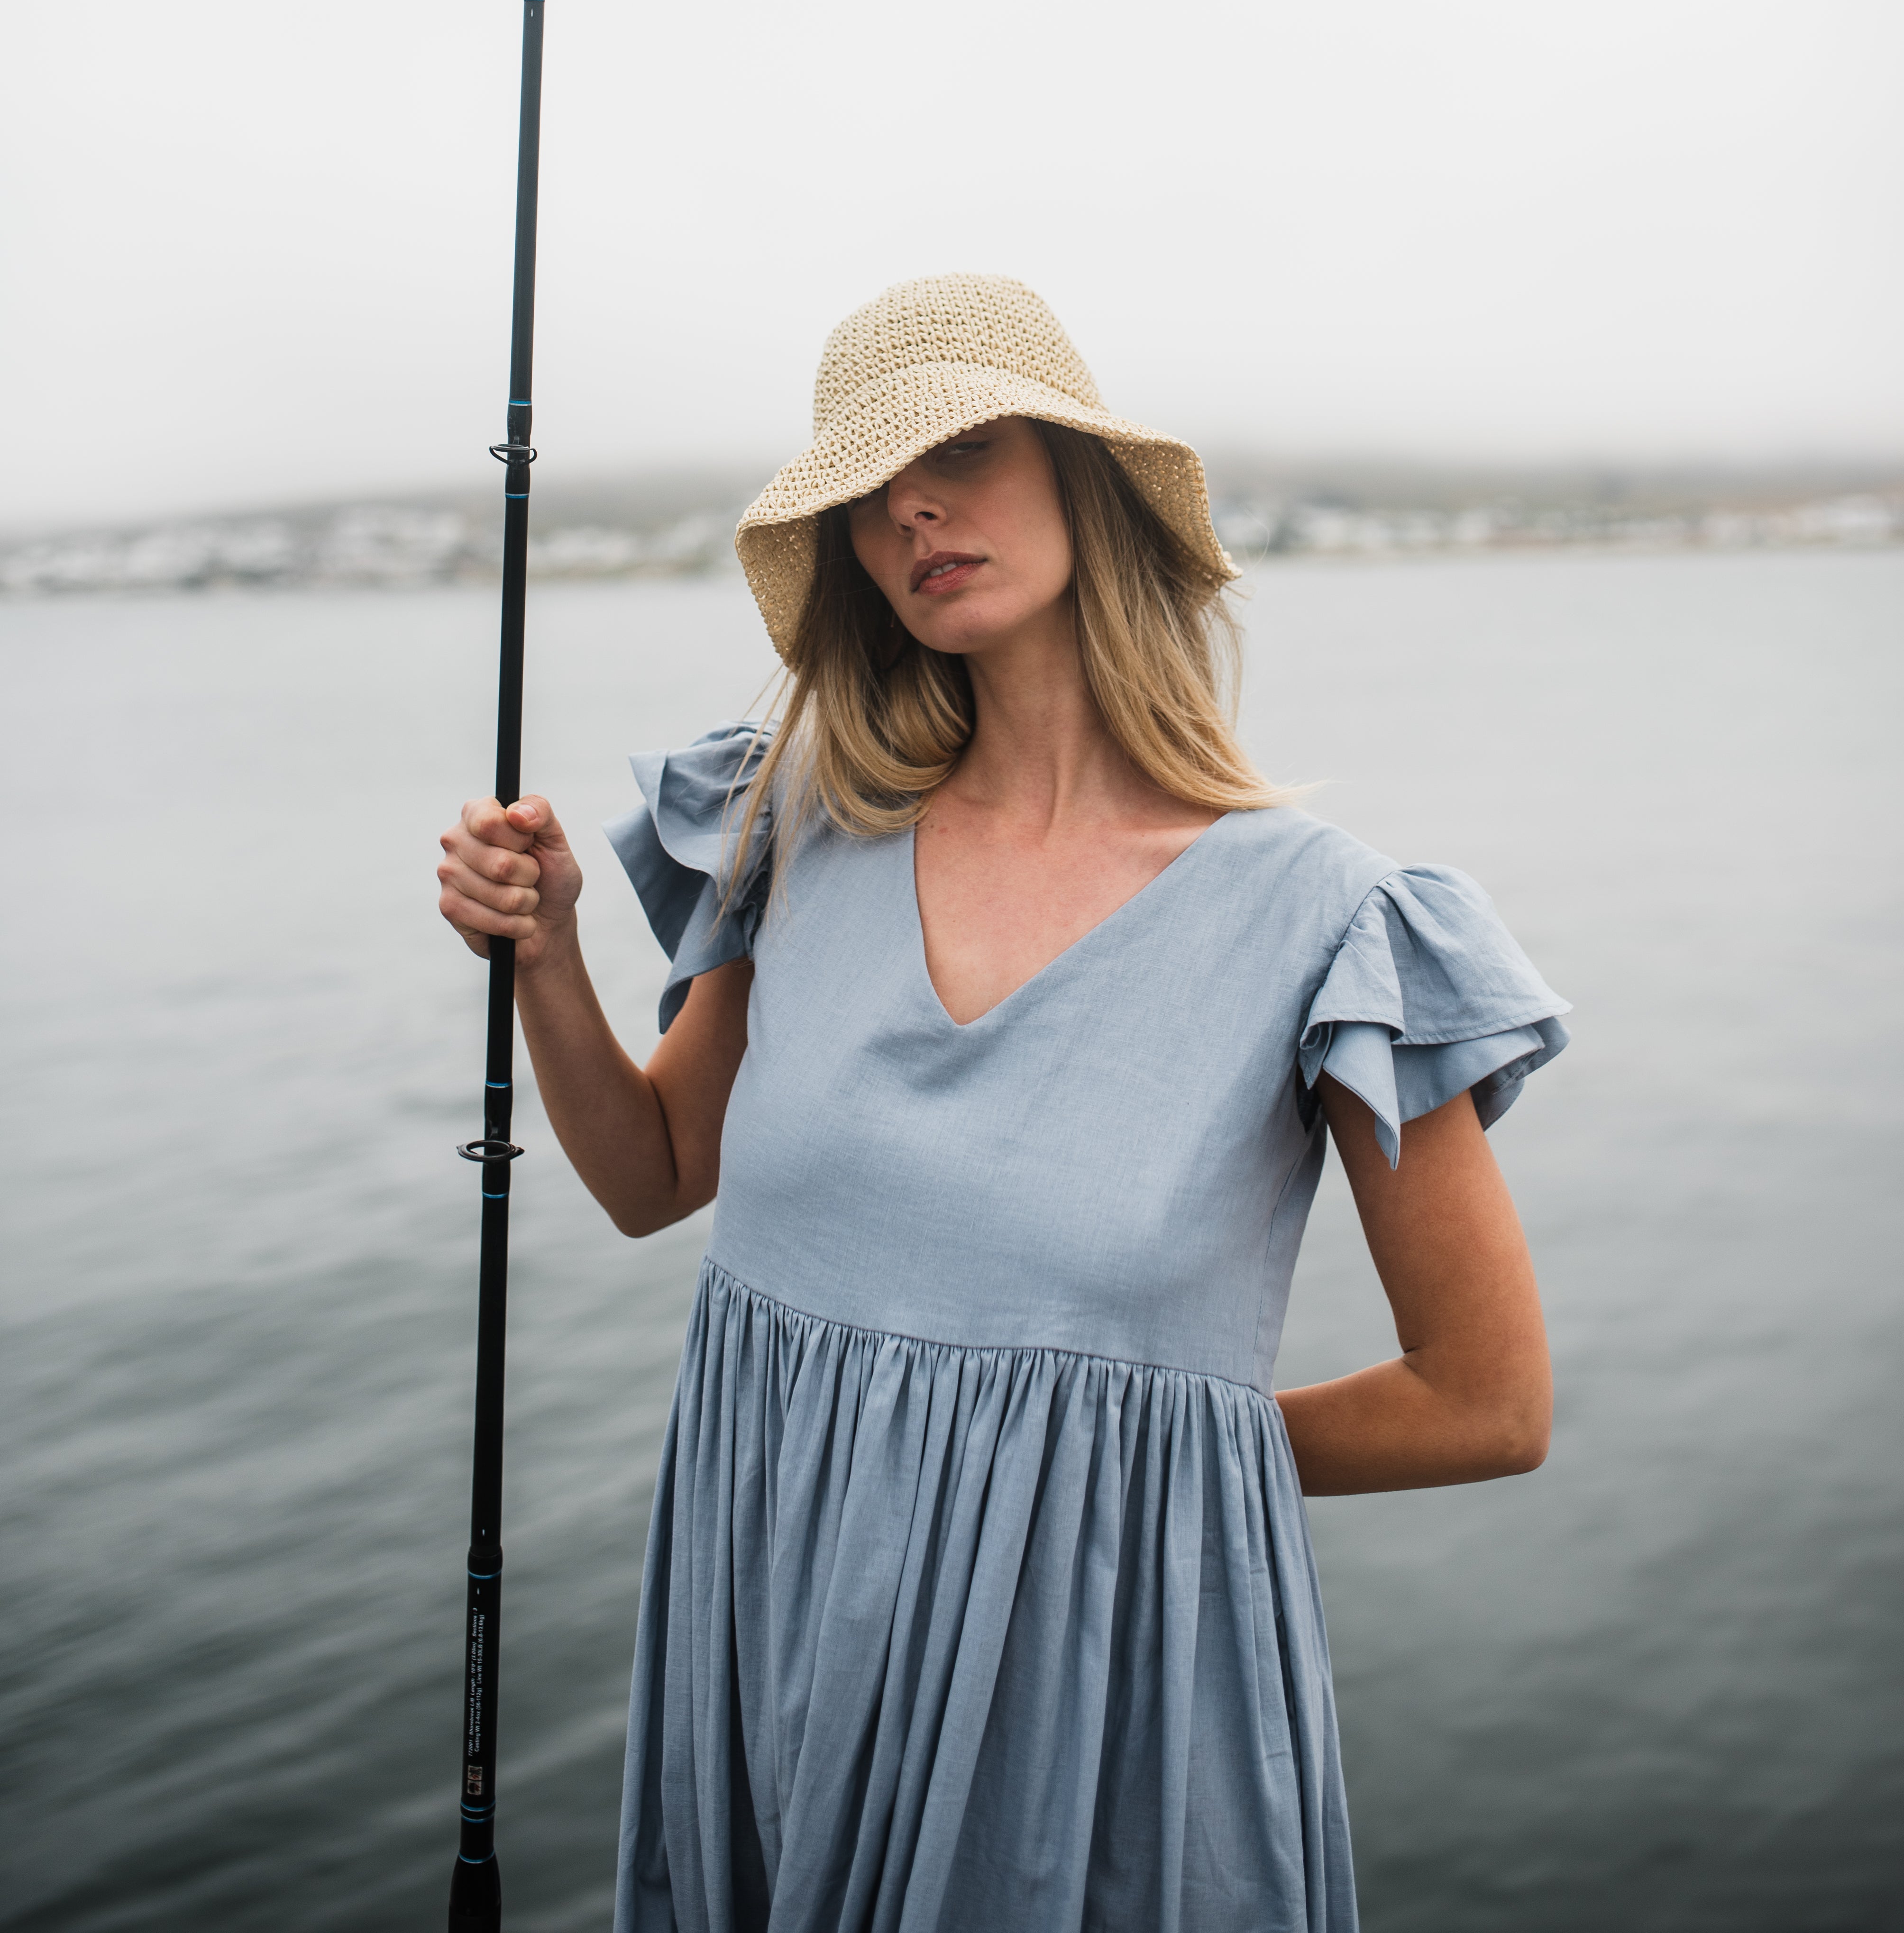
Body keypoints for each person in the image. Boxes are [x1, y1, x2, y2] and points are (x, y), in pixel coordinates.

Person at [437, 274, 1570, 1933]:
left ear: (1086, 483)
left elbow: (1488, 1402)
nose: (915, 508)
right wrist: (545, 957)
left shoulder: (1327, 921)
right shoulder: (799, 823)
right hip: (772, 1628)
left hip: (1086, 1700)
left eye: (965, 446)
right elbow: (654, 1171)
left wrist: (1106, 1459)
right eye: (866, 493)